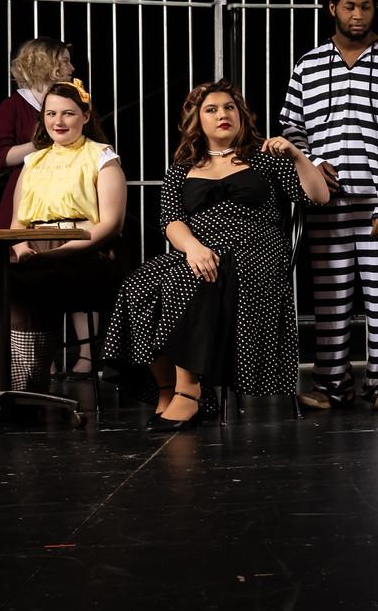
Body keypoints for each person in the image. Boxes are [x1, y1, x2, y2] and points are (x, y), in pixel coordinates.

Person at [104, 81, 331, 426]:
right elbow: (170, 222)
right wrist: (194, 247)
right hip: (199, 249)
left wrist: (298, 155)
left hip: (256, 252)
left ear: (241, 115)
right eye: (211, 109)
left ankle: (189, 390)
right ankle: (165, 387)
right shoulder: (183, 167)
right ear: (198, 119)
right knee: (139, 285)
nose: (222, 114)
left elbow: (319, 197)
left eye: (229, 107)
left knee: (192, 277)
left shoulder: (266, 158)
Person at [278, 0, 378, 412]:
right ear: (331, 9)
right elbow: (291, 129)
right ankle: (331, 384)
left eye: (365, 6)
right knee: (330, 300)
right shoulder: (308, 64)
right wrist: (312, 166)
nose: (358, 14)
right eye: (349, 6)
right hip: (327, 207)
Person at [0, 81, 128, 389]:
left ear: (85, 116)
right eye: (51, 113)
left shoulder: (101, 158)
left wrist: (62, 250)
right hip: (34, 249)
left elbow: (110, 224)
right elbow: (17, 223)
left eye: (68, 113)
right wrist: (25, 248)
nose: (58, 121)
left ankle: (26, 387)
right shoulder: (33, 162)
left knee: (24, 286)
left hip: (84, 251)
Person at [0, 38, 75, 228]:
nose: (72, 68)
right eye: (65, 61)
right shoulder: (12, 106)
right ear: (46, 62)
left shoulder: (72, 102)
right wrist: (39, 143)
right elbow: (1, 156)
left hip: (67, 190)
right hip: (25, 193)